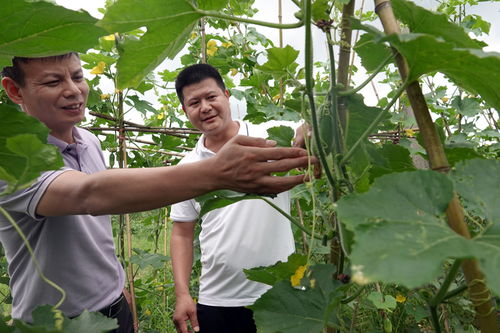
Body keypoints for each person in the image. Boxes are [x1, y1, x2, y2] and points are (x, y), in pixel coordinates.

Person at [0, 53, 314, 332]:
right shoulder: (9, 159)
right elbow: (88, 196)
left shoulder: (89, 141)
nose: (73, 90)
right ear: (15, 91)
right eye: (54, 81)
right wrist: (218, 173)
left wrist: (117, 288)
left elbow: (94, 233)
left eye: (78, 76)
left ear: (227, 96)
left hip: (112, 310)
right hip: (56, 323)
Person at [170, 64, 298, 333]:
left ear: (227, 96)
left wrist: (309, 129)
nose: (204, 107)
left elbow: (309, 131)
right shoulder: (186, 168)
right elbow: (182, 232)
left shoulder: (272, 137)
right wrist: (183, 294)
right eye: (194, 102)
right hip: (217, 299)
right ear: (185, 111)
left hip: (280, 295)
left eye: (211, 97)